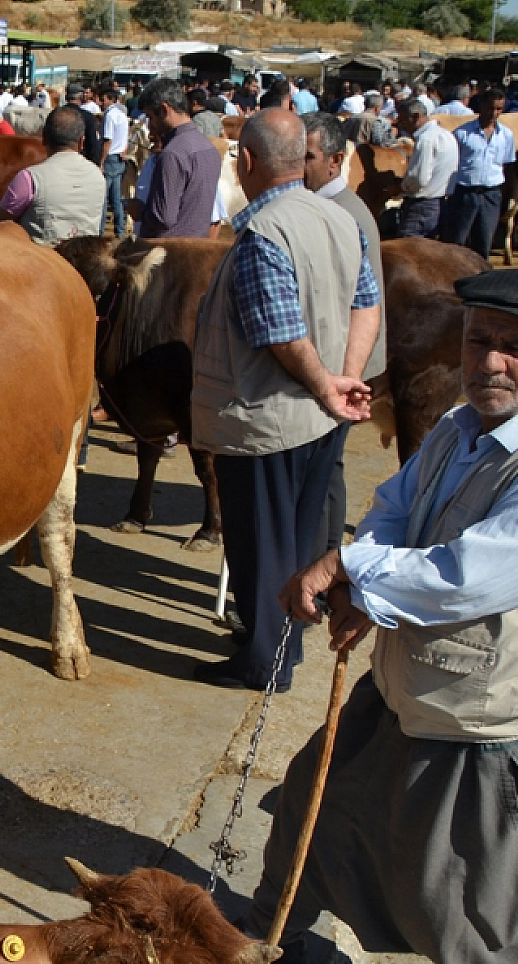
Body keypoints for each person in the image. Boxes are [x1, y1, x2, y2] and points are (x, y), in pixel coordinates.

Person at [253, 269, 518, 964]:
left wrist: (352, 569)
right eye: (478, 340)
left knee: (475, 921)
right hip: (401, 696)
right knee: (312, 819)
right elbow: (395, 507)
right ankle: (280, 947)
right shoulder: (459, 427)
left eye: (514, 347)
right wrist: (362, 584)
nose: (489, 361)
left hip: (484, 730)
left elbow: (466, 578)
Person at [191, 109, 380, 692]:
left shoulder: (264, 233)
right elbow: (367, 304)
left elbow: (278, 332)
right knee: (297, 538)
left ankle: (263, 662)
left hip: (266, 419)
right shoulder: (339, 217)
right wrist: (344, 379)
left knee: (260, 544)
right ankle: (282, 647)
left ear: (247, 160)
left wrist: (326, 384)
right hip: (321, 416)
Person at [304, 112, 389, 559]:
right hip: (336, 362)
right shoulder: (332, 208)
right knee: (324, 467)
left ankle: (321, 561)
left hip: (339, 363)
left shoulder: (342, 214)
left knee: (322, 469)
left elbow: (346, 304)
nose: (299, 166)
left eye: (308, 157)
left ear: (336, 160)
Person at [0, 107, 106, 246]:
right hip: (86, 258)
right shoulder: (98, 176)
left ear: (44, 138)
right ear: (82, 142)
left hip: (39, 257)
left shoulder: (30, 178)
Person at [136, 78, 223, 239]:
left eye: (150, 117)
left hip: (167, 248)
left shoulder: (172, 153)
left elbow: (163, 218)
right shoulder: (208, 147)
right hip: (195, 246)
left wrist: (139, 211)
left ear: (164, 109)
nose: (150, 125)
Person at [440, 90, 516, 258]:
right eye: (490, 108)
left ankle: (481, 274)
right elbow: (451, 163)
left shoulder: (506, 135)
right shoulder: (462, 133)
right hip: (465, 193)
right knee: (456, 242)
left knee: (484, 242)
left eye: (499, 109)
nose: (494, 113)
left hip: (491, 194)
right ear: (481, 106)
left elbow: (507, 165)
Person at [393, 100, 458, 239]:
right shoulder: (446, 135)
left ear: (416, 117)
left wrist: (402, 187)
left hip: (421, 205)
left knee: (408, 246)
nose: (402, 125)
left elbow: (419, 179)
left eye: (404, 120)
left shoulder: (425, 140)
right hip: (439, 201)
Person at [99, 87, 131, 236]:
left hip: (110, 157)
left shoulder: (110, 115)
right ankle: (120, 230)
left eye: (103, 99)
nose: (101, 103)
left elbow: (108, 140)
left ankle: (100, 231)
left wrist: (101, 161)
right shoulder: (122, 115)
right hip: (119, 158)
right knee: (116, 198)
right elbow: (126, 137)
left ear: (111, 99)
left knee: (103, 198)